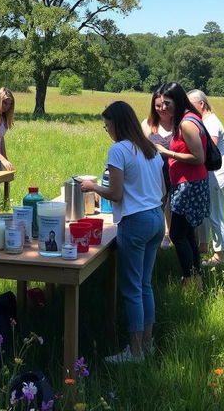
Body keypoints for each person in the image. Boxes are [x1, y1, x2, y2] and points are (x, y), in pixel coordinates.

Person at [80, 101, 166, 363]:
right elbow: (162, 191)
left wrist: (92, 186)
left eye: (107, 126)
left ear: (117, 123)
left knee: (131, 289)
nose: (107, 131)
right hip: (156, 218)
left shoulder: (119, 150)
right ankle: (147, 343)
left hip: (136, 222)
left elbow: (115, 193)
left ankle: (135, 351)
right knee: (144, 285)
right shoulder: (150, 148)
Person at [153, 82, 209, 290]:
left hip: (190, 186)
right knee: (186, 234)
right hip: (188, 184)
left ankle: (189, 280)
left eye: (168, 103)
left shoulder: (186, 123)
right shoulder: (190, 118)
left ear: (177, 100)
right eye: (161, 104)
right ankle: (196, 280)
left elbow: (198, 157)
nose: (164, 108)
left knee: (177, 234)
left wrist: (167, 152)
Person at [187, 89, 224, 267]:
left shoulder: (211, 122)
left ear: (202, 104)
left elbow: (210, 148)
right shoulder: (204, 121)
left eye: (191, 105)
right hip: (211, 170)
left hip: (218, 170)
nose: (188, 109)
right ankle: (204, 246)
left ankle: (220, 256)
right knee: (207, 212)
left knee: (215, 212)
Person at [141, 87, 174, 249]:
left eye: (166, 104)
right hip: (154, 175)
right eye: (157, 106)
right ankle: (157, 238)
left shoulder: (180, 123)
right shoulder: (147, 124)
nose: (162, 109)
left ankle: (171, 235)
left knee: (174, 209)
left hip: (177, 173)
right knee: (157, 208)